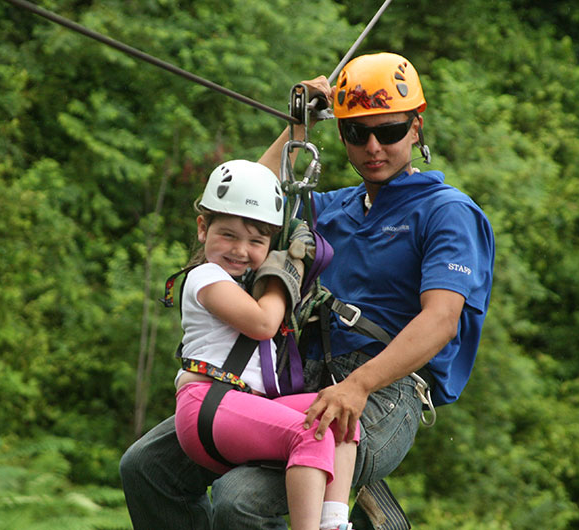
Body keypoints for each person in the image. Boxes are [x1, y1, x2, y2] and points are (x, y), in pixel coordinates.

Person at [120, 52, 495, 529]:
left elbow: (440, 320)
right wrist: (297, 129)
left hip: (383, 389)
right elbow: (242, 207)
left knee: (241, 501)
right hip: (293, 377)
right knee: (147, 469)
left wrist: (357, 387)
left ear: (417, 128)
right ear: (343, 136)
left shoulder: (447, 213)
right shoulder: (330, 208)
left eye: (391, 131)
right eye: (358, 133)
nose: (374, 146)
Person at [172, 159, 358, 530]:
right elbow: (263, 323)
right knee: (310, 433)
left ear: (270, 243)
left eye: (256, 241)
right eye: (228, 235)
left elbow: (265, 176)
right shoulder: (204, 276)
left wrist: (300, 125)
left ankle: (334, 521)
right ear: (202, 228)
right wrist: (286, 274)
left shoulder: (246, 279)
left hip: (239, 404)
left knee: (338, 411)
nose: (240, 250)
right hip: (208, 405)